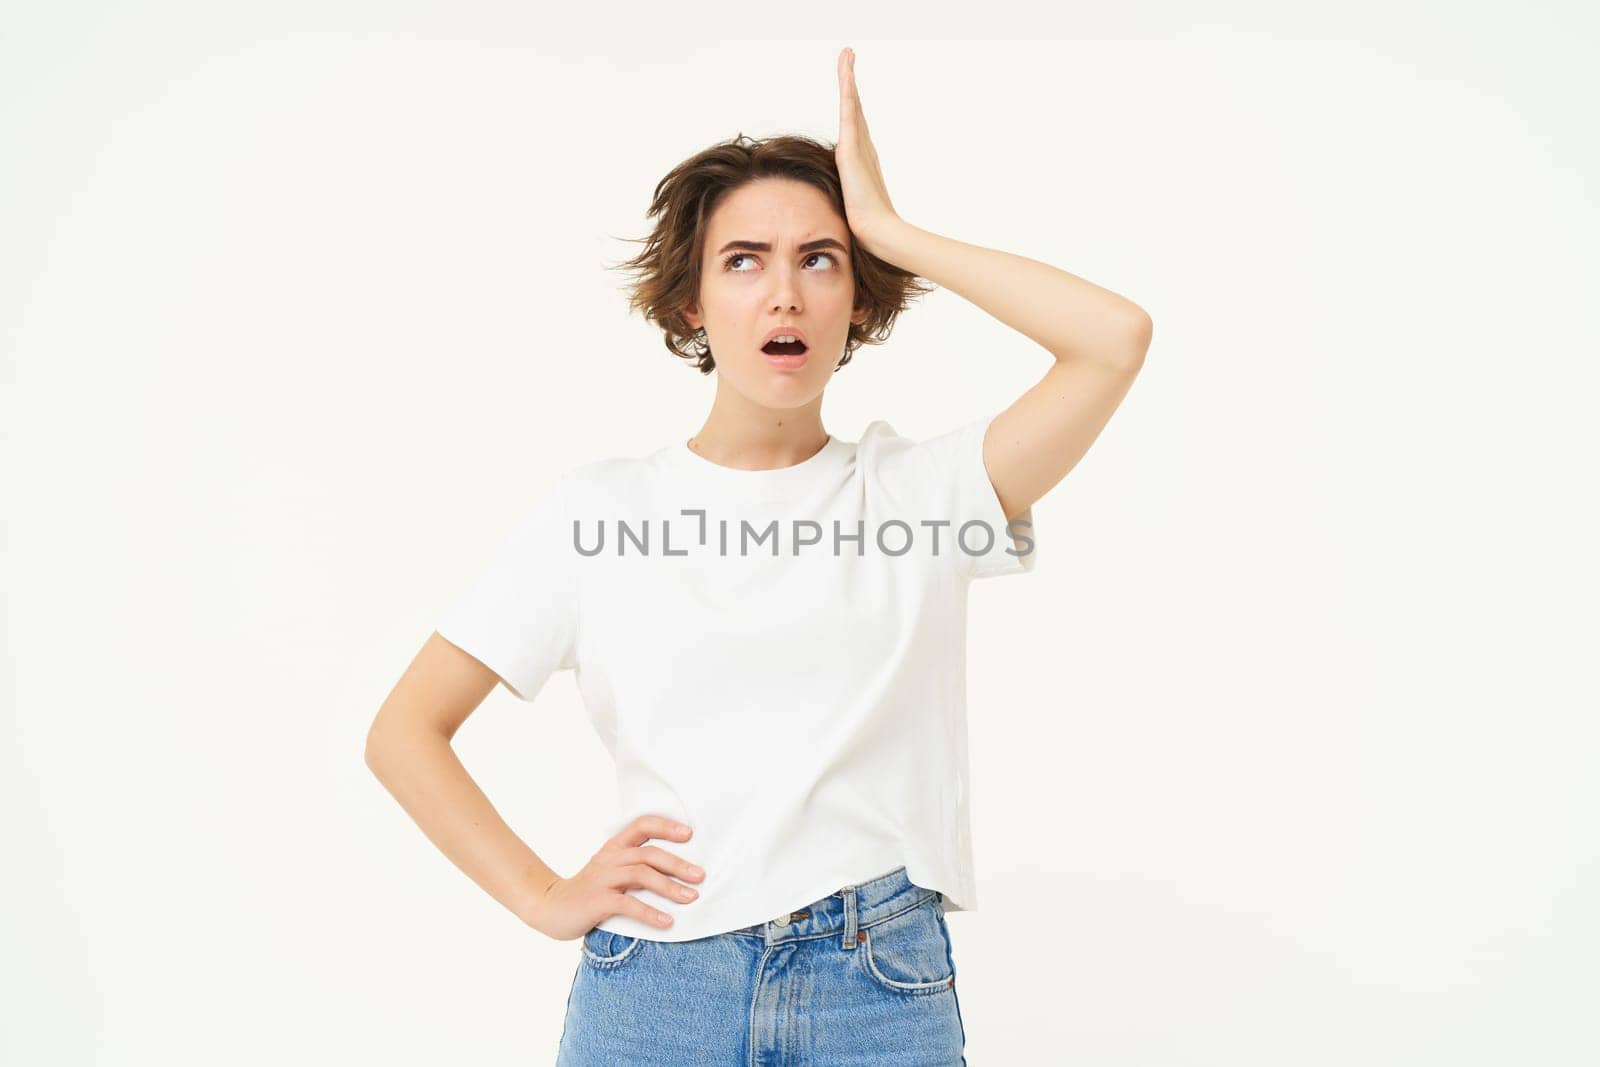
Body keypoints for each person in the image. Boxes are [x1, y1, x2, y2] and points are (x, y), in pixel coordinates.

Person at [365, 47, 1150, 1065]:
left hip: (879, 983)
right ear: (690, 302)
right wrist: (543, 893)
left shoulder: (918, 496)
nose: (784, 292)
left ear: (857, 299)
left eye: (819, 259)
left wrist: (891, 231)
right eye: (744, 259)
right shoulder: (596, 514)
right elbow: (404, 730)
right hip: (657, 987)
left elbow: (1114, 338)